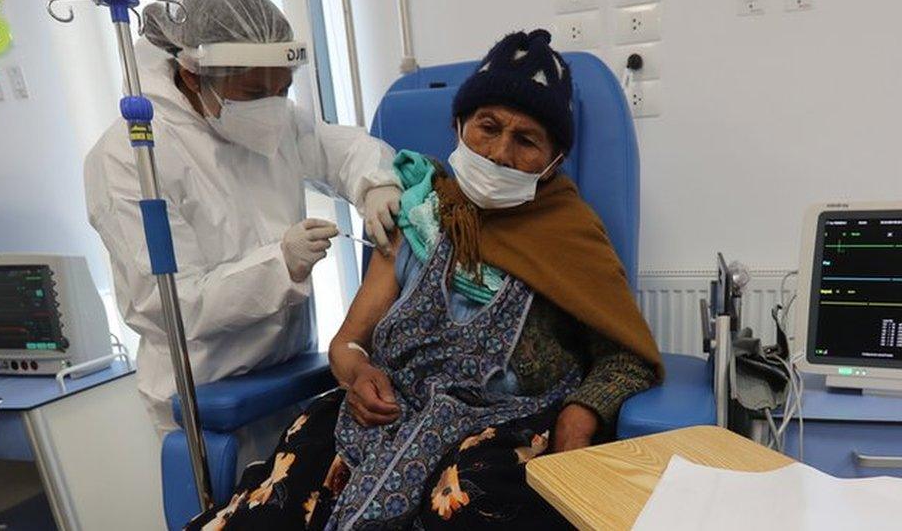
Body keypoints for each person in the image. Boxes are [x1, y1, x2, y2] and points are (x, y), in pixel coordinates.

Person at [187, 29, 664, 530]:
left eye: (526, 140)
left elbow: (624, 355)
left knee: (466, 506)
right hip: (382, 415)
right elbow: (348, 343)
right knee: (274, 506)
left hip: (498, 427)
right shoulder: (420, 214)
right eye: (488, 127)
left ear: (553, 162)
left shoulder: (572, 238)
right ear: (459, 126)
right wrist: (357, 374)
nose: (501, 153)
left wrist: (579, 418)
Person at [84, 0, 401, 436]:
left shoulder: (275, 118)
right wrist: (280, 264)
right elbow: (171, 305)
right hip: (209, 396)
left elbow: (342, 151)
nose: (273, 106)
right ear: (194, 75)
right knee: (236, 507)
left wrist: (377, 184)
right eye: (254, 90)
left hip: (291, 375)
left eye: (283, 88)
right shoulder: (132, 158)